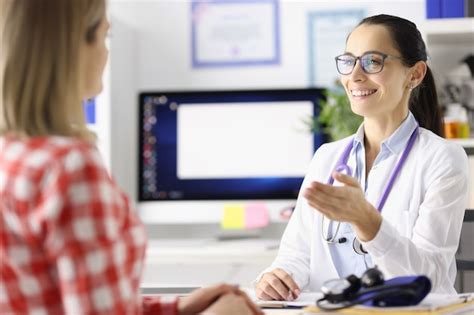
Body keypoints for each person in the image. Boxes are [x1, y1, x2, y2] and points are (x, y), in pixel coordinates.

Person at [0, 1, 263, 314]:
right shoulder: (70, 167)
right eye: (102, 37)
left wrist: (176, 308)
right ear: (70, 48)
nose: (106, 54)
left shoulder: (12, 155)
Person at [255, 14, 469, 300]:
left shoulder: (443, 158)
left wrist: (369, 222)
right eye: (348, 61)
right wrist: (277, 277)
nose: (354, 75)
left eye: (373, 61)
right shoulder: (326, 158)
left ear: (415, 74)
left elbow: (427, 279)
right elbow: (296, 255)